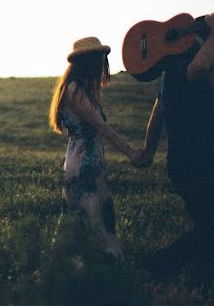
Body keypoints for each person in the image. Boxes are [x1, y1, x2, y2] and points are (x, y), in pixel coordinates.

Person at [137, 12, 214, 303]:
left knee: (209, 224)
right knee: (212, 227)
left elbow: (157, 111)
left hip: (190, 158)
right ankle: (158, 270)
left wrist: (150, 149)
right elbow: (200, 66)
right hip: (194, 158)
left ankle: (190, 279)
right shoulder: (180, 64)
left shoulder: (171, 71)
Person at [49, 37, 146, 261]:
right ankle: (93, 272)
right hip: (84, 163)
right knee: (91, 220)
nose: (103, 65)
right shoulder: (74, 90)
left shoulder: (84, 88)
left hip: (88, 160)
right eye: (100, 60)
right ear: (89, 62)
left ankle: (82, 271)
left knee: (91, 218)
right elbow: (101, 127)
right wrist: (130, 152)